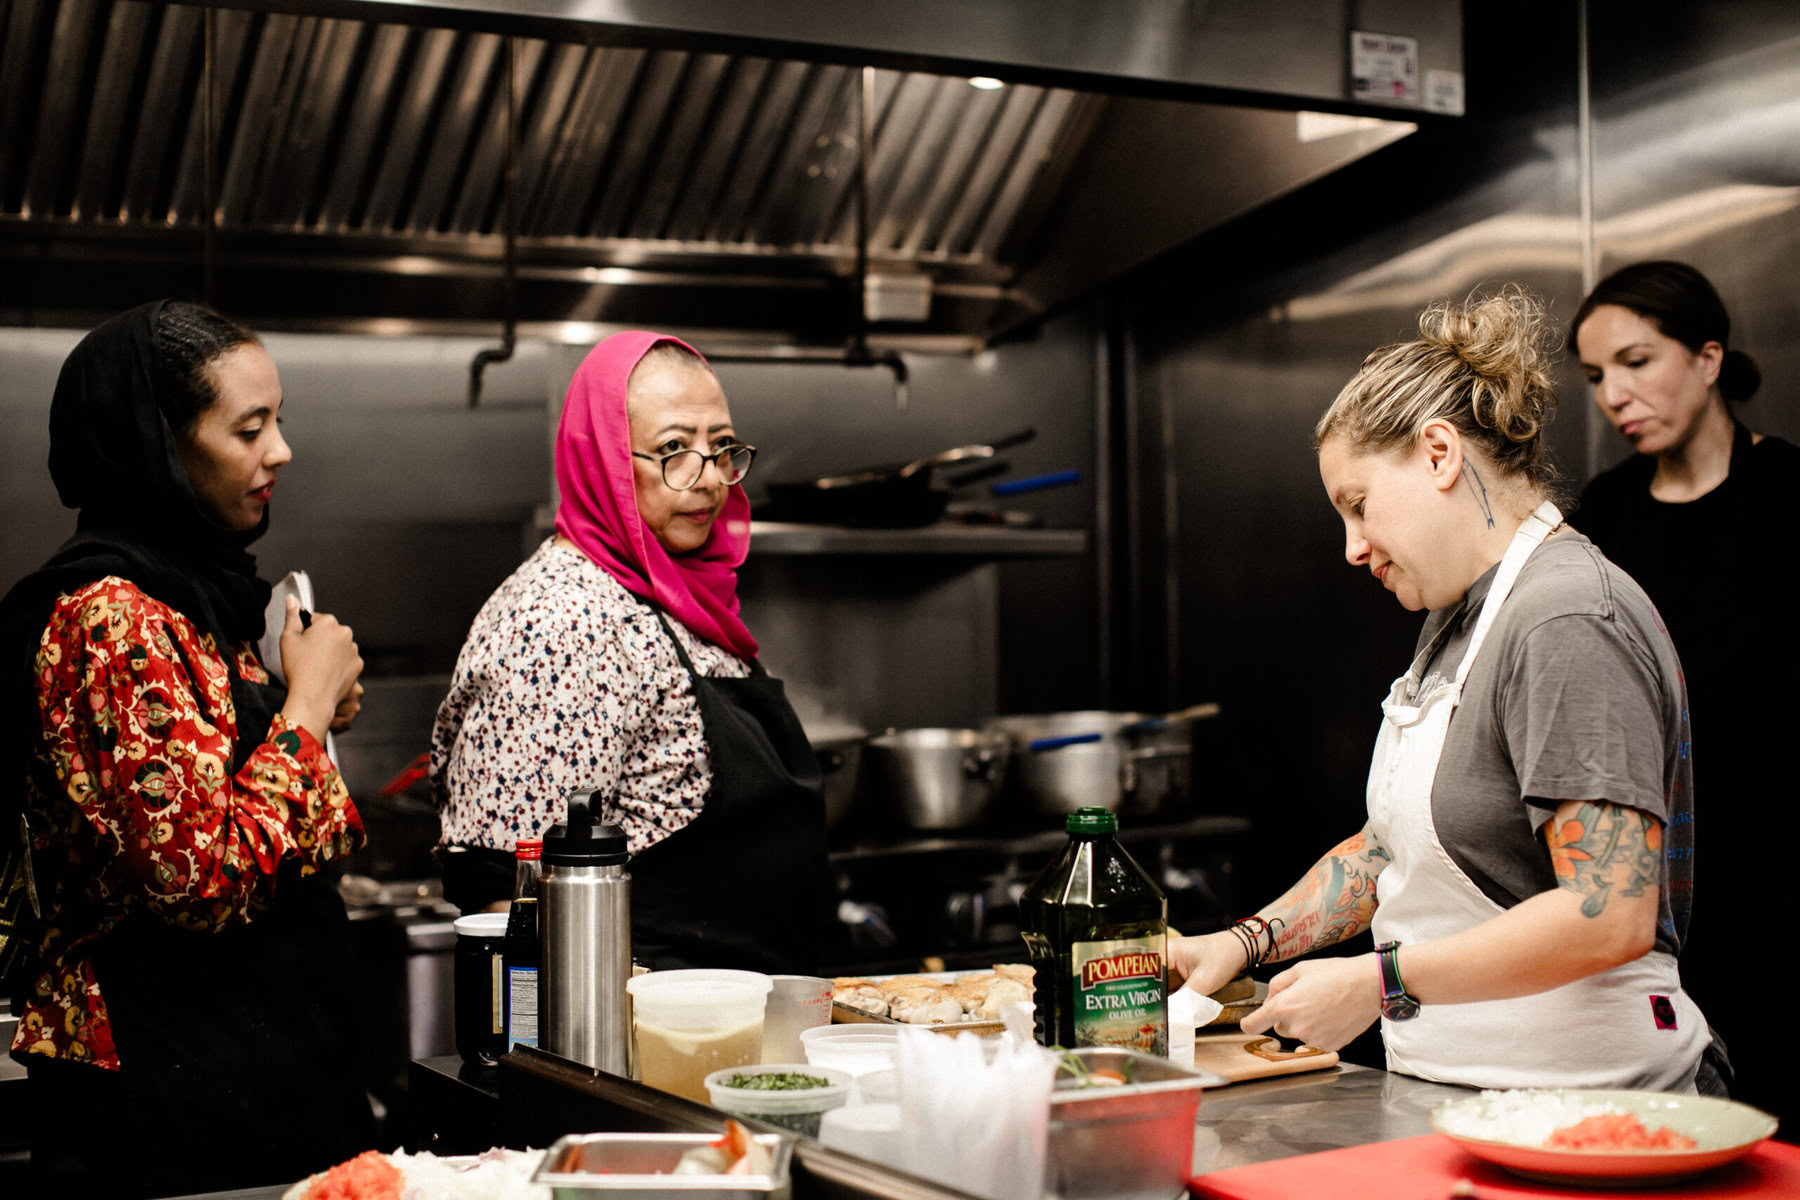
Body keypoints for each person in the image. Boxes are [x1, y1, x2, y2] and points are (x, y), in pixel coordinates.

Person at [1169, 288, 1724, 1095]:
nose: (1353, 548)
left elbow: (1609, 913)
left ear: (1439, 454)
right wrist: (1243, 943)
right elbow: (1391, 848)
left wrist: (1378, 983)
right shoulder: (1461, 615)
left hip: (1601, 1104)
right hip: (1477, 1095)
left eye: (1358, 507)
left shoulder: (1563, 616)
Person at [0, 301, 375, 1195]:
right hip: (163, 1086)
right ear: (158, 443)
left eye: (278, 421)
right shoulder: (115, 618)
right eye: (250, 428)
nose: (279, 451)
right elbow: (199, 878)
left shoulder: (196, 603)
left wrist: (298, 711)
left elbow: (255, 817)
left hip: (240, 1060)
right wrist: (308, 712)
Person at [431, 331, 829, 974]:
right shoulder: (559, 620)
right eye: (674, 450)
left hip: (741, 1031)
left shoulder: (679, 594)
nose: (708, 479)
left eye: (721, 448)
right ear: (607, 459)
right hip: (642, 1049)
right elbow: (506, 887)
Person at [1570, 260, 1799, 1120]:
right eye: (1596, 376)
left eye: (1637, 361)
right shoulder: (1606, 512)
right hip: (1655, 876)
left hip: (1777, 865)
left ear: (1708, 358)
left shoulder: (1788, 494)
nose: (1615, 394)